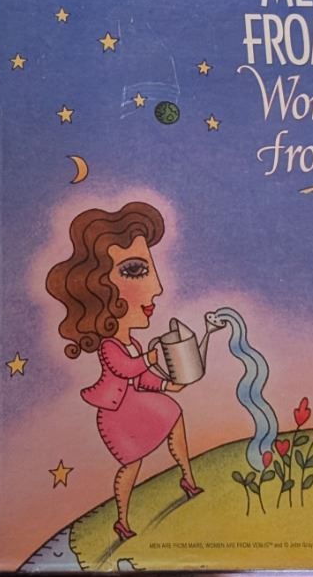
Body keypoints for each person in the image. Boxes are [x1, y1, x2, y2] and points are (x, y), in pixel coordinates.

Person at [48, 201, 201, 544]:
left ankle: (188, 479)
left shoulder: (131, 340)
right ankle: (121, 520)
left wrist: (168, 384)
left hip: (137, 402)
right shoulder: (110, 346)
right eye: (135, 270)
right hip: (117, 415)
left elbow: (142, 379)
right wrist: (150, 357)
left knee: (174, 415)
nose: (157, 288)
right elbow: (125, 368)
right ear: (100, 287)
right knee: (132, 465)